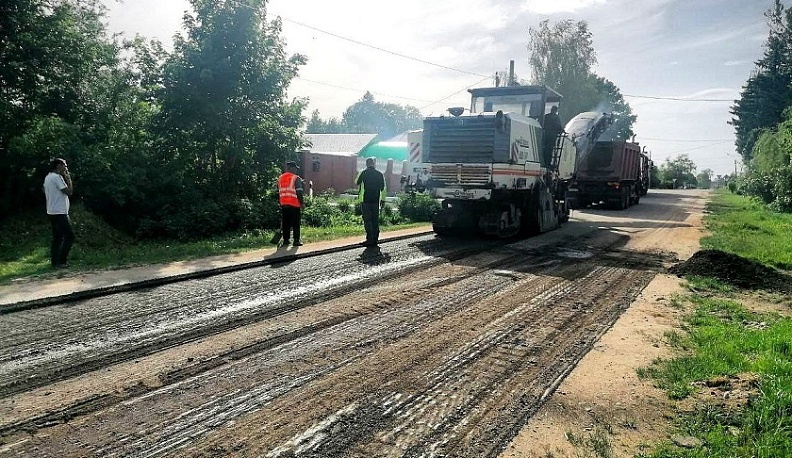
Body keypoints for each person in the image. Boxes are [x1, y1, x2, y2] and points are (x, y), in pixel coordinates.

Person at [43, 158, 74, 268]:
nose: (66, 168)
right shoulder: (57, 177)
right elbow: (69, 192)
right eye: (64, 165)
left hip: (51, 212)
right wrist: (69, 179)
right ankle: (62, 261)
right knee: (70, 237)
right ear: (58, 165)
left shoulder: (48, 177)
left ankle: (54, 262)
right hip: (60, 212)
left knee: (57, 238)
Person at [356, 157, 386, 246]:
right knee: (375, 220)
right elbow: (382, 187)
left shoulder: (364, 173)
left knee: (368, 220)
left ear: (366, 164)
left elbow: (357, 182)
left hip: (366, 200)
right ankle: (375, 239)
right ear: (374, 164)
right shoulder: (380, 174)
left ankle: (369, 239)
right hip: (376, 200)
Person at [277, 161, 305, 247]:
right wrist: (302, 202)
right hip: (294, 203)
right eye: (295, 168)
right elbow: (299, 191)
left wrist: (280, 202)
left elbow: (277, 192)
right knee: (296, 223)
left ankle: (286, 240)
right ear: (292, 168)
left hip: (284, 204)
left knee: (286, 223)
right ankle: (296, 240)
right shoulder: (296, 178)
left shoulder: (280, 178)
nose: (296, 170)